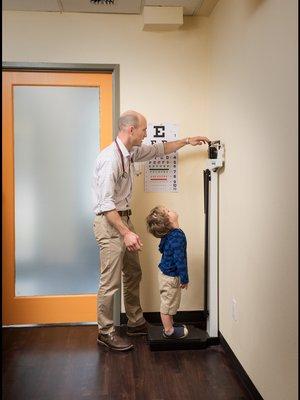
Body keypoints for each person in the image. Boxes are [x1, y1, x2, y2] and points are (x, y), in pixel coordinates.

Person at [92, 110, 209, 351]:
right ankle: (105, 332)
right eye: (144, 130)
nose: (146, 134)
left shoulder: (131, 153)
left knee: (133, 273)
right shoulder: (110, 159)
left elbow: (160, 150)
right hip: (110, 222)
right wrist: (125, 232)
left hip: (124, 220)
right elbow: (105, 205)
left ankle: (135, 322)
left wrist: (188, 141)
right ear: (131, 130)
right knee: (110, 281)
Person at [146, 206, 189, 339]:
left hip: (165, 273)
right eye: (168, 211)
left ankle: (170, 324)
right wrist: (184, 278)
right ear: (167, 221)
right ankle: (168, 330)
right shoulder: (177, 235)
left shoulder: (170, 234)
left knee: (170, 301)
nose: (171, 209)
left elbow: (161, 248)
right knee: (167, 304)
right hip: (170, 277)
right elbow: (179, 259)